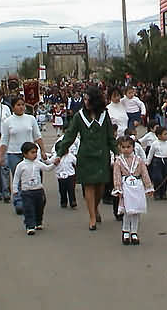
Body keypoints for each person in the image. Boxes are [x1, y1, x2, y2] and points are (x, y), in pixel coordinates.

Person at [55, 86, 117, 230]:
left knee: (101, 187)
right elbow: (69, 136)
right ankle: (92, 217)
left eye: (87, 99)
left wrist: (117, 152)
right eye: (84, 99)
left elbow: (110, 137)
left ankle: (95, 208)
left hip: (102, 156)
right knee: (89, 185)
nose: (85, 102)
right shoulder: (79, 116)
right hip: (86, 156)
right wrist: (59, 154)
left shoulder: (104, 115)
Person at [0, 97, 48, 214]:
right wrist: (1, 156)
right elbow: (4, 140)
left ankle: (36, 200)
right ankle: (19, 201)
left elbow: (37, 135)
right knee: (20, 178)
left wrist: (42, 150)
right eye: (18, 105)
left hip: (31, 153)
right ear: (13, 107)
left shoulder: (30, 119)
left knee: (35, 175)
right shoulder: (7, 122)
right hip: (14, 153)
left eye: (22, 105)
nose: (21, 107)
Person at [112, 136, 154, 245]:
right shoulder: (118, 161)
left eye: (128, 147)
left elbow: (144, 173)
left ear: (133, 147)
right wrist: (118, 189)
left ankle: (134, 232)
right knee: (127, 211)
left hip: (137, 188)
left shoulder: (139, 160)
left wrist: (148, 187)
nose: (126, 149)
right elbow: (116, 175)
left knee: (136, 211)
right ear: (119, 148)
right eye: (123, 147)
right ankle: (126, 231)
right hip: (126, 187)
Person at [12, 142, 59, 235]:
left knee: (39, 207)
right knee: (28, 209)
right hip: (26, 192)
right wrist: (15, 190)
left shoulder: (38, 163)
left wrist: (55, 164)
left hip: (38, 190)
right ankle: (30, 226)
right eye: (32, 152)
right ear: (25, 154)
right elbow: (16, 178)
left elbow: (47, 168)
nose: (35, 154)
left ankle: (38, 222)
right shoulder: (21, 166)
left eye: (36, 152)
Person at [146, 126, 167, 200]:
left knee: (166, 177)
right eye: (165, 134)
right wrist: (148, 162)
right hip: (157, 161)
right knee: (157, 177)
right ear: (159, 136)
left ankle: (163, 192)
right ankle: (157, 192)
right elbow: (151, 153)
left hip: (166, 161)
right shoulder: (155, 144)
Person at [52, 141, 77, 209]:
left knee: (71, 189)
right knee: (62, 190)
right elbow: (49, 162)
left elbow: (76, 162)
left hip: (70, 175)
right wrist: (45, 159)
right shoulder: (56, 157)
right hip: (60, 176)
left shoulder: (70, 156)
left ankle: (73, 201)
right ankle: (63, 201)